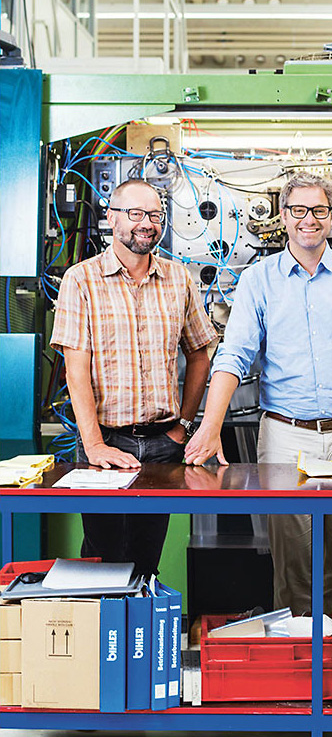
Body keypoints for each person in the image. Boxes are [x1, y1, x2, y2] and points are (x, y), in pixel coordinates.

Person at [185, 171, 332, 617]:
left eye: (318, 210)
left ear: (331, 217)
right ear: (283, 216)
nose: (307, 220)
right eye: (298, 210)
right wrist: (210, 427)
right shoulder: (259, 280)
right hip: (286, 437)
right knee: (292, 559)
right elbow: (233, 355)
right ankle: (296, 664)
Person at [51, 179, 217, 577]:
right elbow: (77, 370)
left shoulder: (179, 279)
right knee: (102, 559)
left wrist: (184, 427)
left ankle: (141, 635)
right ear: (112, 217)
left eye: (155, 215)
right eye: (136, 214)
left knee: (146, 561)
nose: (147, 224)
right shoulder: (81, 279)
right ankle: (104, 639)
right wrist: (93, 444)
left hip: (163, 445)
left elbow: (200, 352)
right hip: (106, 442)